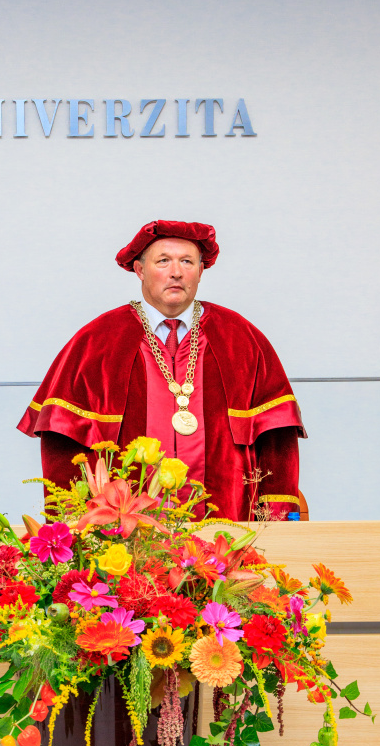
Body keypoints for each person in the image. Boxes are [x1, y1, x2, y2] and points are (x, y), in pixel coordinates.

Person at [17, 219, 305, 521]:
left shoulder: (241, 339)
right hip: (126, 539)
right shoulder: (96, 342)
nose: (176, 272)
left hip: (226, 528)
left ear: (201, 271)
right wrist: (69, 525)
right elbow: (62, 445)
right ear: (140, 270)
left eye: (187, 261)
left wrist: (276, 524)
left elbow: (278, 441)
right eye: (163, 261)